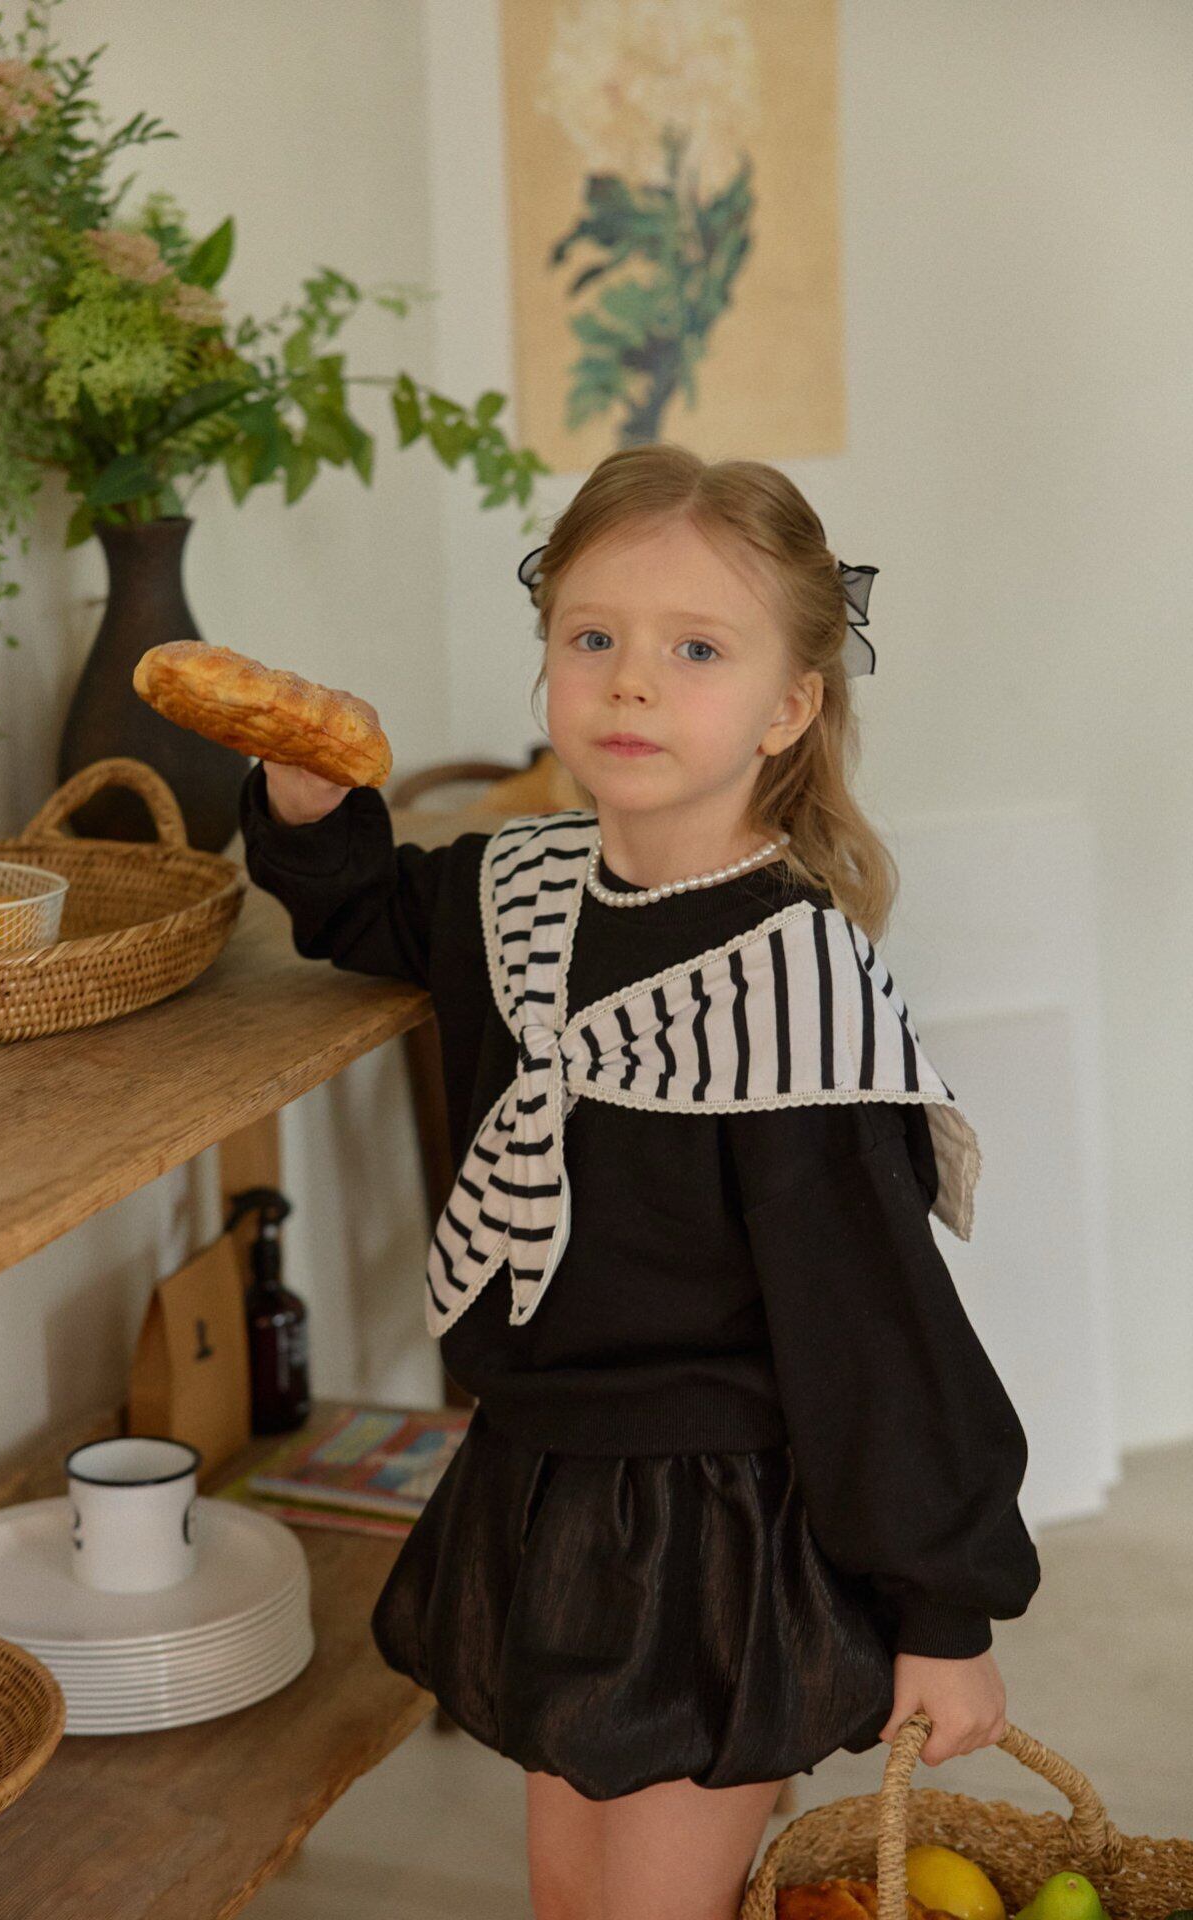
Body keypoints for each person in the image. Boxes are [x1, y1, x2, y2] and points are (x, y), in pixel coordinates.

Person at [237, 442, 1041, 1920]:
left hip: (711, 1531)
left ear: (789, 706)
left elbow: (877, 1333)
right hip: (547, 1481)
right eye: (592, 637)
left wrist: (943, 1612)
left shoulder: (794, 994)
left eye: (697, 650)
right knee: (571, 1898)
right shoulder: (516, 889)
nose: (630, 684)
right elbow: (365, 909)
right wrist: (304, 798)